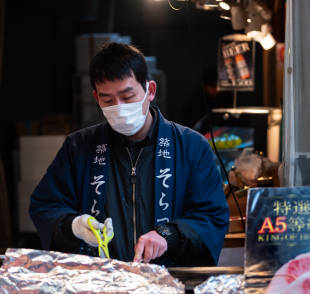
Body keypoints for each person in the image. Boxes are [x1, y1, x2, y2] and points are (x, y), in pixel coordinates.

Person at [29, 43, 229, 266]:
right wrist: (73, 225)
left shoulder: (192, 146)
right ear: (96, 98)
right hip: (100, 287)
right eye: (108, 100)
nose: (119, 107)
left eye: (128, 96)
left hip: (169, 285)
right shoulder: (79, 147)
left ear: (150, 90)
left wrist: (168, 234)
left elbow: (211, 217)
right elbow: (45, 206)